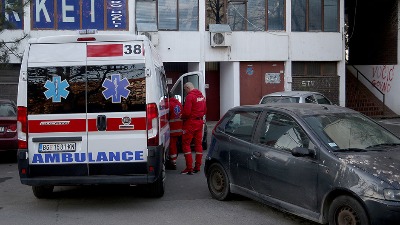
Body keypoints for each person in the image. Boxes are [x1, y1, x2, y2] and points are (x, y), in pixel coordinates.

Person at [180, 82, 206, 175]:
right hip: (199, 122)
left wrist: (181, 117)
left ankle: (189, 168)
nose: (185, 92)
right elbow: (205, 110)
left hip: (190, 123)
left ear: (187, 88)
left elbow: (186, 112)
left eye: (185, 90)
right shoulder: (201, 96)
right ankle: (197, 167)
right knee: (198, 145)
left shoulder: (190, 97)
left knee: (186, 144)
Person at [166, 92, 183, 170]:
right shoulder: (178, 103)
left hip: (172, 128)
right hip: (179, 128)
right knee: (176, 145)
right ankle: (174, 160)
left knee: (172, 146)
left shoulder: (169, 104)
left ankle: (173, 162)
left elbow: (167, 117)